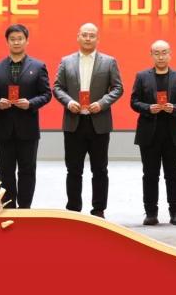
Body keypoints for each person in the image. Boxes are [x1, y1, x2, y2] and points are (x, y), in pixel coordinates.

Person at [53, 23, 123, 217]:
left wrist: (102, 103)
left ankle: (98, 210)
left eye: (92, 35)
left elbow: (118, 88)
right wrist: (68, 102)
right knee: (73, 169)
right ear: (78, 37)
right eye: (84, 35)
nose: (88, 38)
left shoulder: (109, 62)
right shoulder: (66, 61)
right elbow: (57, 87)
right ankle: (73, 209)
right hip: (73, 122)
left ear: (98, 39)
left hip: (99, 122)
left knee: (100, 169)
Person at [0, 24, 52, 209]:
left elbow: (46, 94)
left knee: (27, 170)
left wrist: (31, 103)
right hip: (4, 128)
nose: (16, 42)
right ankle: (8, 207)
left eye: (20, 39)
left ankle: (25, 208)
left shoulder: (38, 66)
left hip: (28, 128)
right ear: (7, 42)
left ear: (26, 41)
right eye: (12, 39)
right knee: (5, 171)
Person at [130, 40, 176, 226]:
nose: (161, 56)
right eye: (157, 53)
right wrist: (148, 108)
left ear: (170, 54)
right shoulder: (142, 76)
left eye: (164, 52)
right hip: (149, 134)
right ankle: (150, 212)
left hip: (172, 134)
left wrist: (175, 108)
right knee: (150, 174)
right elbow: (134, 101)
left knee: (173, 174)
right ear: (151, 55)